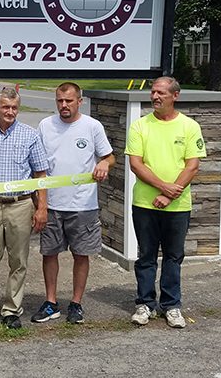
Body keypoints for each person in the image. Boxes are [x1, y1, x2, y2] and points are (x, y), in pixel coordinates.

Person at [126, 76, 206, 329]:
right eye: (153, 92)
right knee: (146, 255)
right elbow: (136, 164)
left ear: (175, 96)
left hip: (178, 206)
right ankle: (145, 304)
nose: (155, 97)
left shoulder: (189, 126)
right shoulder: (140, 126)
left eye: (161, 92)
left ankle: (171, 305)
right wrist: (163, 187)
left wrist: (170, 195)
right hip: (145, 204)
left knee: (173, 256)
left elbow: (192, 166)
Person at [33, 82, 115, 325]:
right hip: (52, 203)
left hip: (83, 205)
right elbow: (38, 165)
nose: (64, 105)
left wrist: (104, 163)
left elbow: (109, 156)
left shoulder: (92, 126)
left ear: (80, 101)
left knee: (81, 254)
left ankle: (76, 303)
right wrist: (40, 203)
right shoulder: (45, 125)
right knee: (50, 254)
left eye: (69, 101)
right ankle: (51, 302)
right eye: (60, 101)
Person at [0, 88, 49, 330]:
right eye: (5, 107)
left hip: (20, 205)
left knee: (18, 260)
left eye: (14, 107)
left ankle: (12, 310)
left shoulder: (30, 135)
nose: (10, 112)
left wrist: (42, 207)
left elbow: (40, 174)